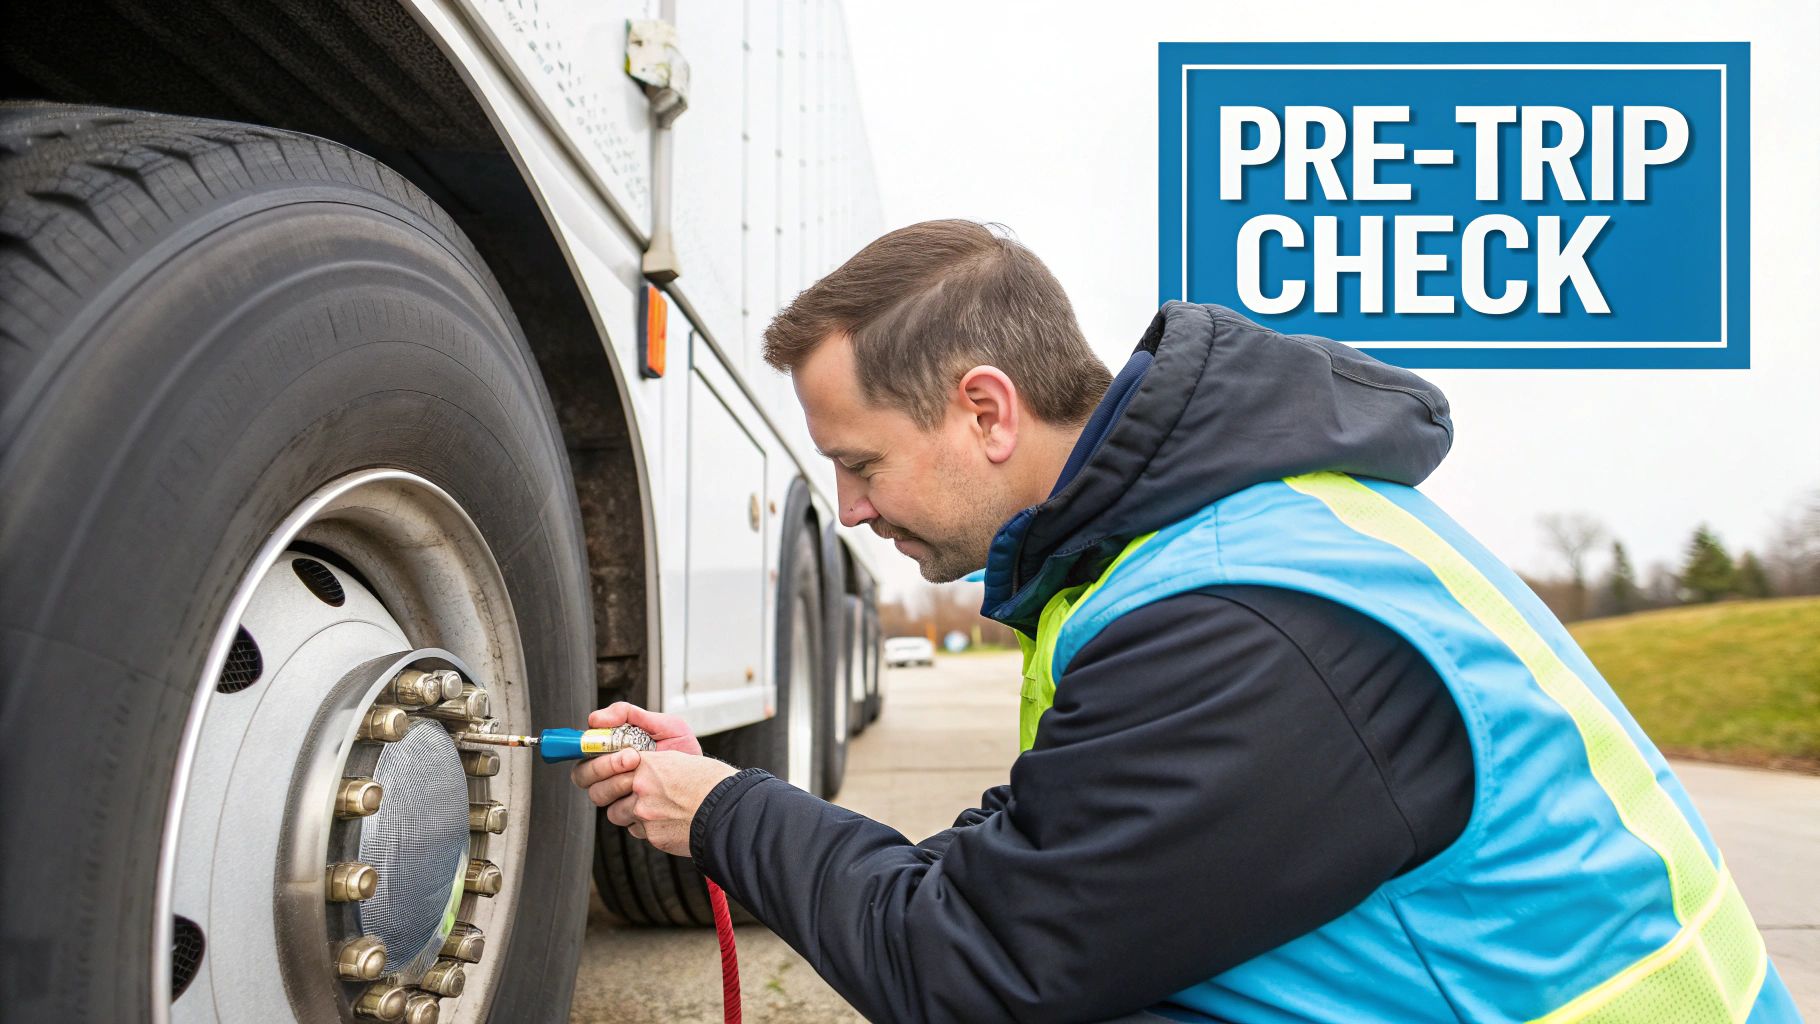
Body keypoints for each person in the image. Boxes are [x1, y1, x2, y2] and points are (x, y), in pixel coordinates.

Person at [571, 220, 1799, 1023]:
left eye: (860, 461)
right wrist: (737, 806)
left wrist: (726, 813)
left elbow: (973, 971)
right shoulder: (1199, 543)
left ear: (984, 411)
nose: (844, 509)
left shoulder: (1234, 624)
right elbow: (1038, 860)